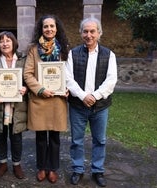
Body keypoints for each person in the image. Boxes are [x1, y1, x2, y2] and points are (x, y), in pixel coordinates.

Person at [65, 17, 117, 187]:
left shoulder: (109, 55)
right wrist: (82, 96)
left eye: (92, 31)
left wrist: (94, 96)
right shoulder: (73, 54)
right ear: (81, 33)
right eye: (85, 31)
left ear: (99, 33)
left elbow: (111, 80)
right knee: (77, 140)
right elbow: (68, 79)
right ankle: (78, 169)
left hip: (100, 107)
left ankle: (97, 170)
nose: (89, 35)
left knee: (100, 140)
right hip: (78, 106)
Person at [23, 15, 69, 183]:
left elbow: (69, 74)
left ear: (57, 29)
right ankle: (42, 167)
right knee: (41, 138)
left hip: (57, 100)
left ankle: (53, 168)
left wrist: (67, 88)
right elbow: (27, 74)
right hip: (40, 100)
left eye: (52, 26)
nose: (49, 29)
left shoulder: (64, 49)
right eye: (45, 26)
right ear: (41, 29)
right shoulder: (34, 50)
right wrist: (40, 89)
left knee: (55, 138)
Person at [0, 31, 28, 179]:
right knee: (0, 136)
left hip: (17, 107)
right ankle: (2, 164)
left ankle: (17, 165)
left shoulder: (23, 60)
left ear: (14, 43)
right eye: (1, 41)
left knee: (16, 137)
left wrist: (25, 88)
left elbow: (29, 80)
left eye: (8, 40)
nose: (5, 43)